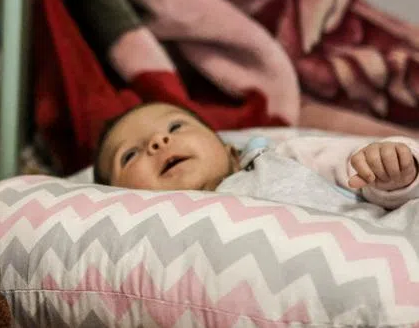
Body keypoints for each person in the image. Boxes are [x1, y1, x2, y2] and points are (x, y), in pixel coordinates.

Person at [94, 101, 419, 216]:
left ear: (230, 152)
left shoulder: (285, 158)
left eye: (176, 126)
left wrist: (393, 169)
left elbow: (359, 168)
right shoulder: (150, 229)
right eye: (130, 154)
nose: (158, 141)